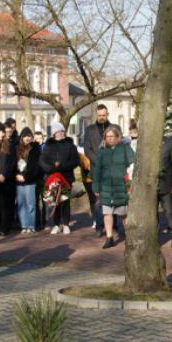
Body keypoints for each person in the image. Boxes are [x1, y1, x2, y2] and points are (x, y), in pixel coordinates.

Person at [93, 124, 135, 249]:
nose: (109, 139)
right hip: (106, 187)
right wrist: (96, 187)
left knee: (123, 214)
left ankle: (129, 237)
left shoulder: (125, 149)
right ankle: (109, 237)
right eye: (107, 136)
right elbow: (97, 171)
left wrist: (130, 183)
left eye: (112, 136)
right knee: (107, 213)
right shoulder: (102, 152)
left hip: (121, 186)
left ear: (118, 137)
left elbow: (133, 165)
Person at [39, 122, 79, 234]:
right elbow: (42, 161)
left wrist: (63, 166)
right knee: (54, 202)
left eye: (61, 131)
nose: (60, 133)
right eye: (57, 131)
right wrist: (51, 168)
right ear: (53, 133)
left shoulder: (70, 145)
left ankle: (66, 224)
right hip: (52, 177)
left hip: (66, 177)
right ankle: (56, 224)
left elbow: (75, 161)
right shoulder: (48, 145)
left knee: (65, 200)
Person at [83, 104, 113, 236]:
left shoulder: (114, 128)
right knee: (98, 199)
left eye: (104, 115)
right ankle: (99, 227)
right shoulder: (89, 130)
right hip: (96, 169)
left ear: (107, 114)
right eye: (99, 115)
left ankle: (114, 225)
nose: (102, 117)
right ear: (96, 115)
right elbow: (87, 150)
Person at [0, 124, 17, 236]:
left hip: (7, 180)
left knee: (6, 204)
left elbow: (12, 162)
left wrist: (4, 174)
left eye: (2, 132)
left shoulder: (9, 146)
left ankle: (4, 227)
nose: (1, 134)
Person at [14, 127, 41, 234]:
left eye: (29, 136)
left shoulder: (35, 149)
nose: (27, 138)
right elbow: (12, 164)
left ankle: (31, 225)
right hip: (18, 180)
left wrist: (26, 177)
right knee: (21, 204)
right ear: (21, 137)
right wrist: (16, 175)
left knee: (30, 203)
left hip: (30, 181)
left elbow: (36, 167)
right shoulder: (16, 149)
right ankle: (24, 225)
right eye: (25, 136)